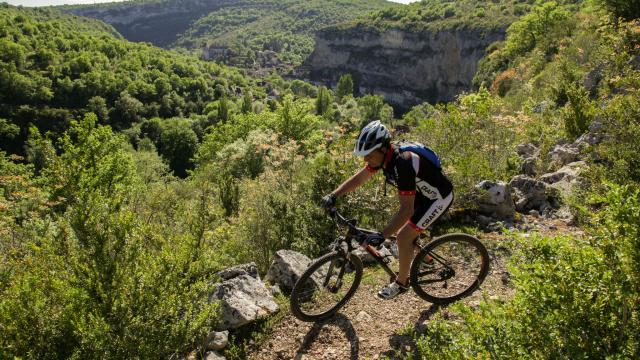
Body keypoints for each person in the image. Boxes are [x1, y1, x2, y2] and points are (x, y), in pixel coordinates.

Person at [322, 120, 454, 300]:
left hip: (438, 198)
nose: (365, 159)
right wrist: (334, 195)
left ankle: (401, 283)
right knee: (406, 233)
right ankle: (426, 259)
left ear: (383, 149)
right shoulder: (385, 158)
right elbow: (359, 179)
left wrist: (382, 235)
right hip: (421, 195)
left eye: (368, 154)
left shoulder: (403, 162)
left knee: (403, 235)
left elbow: (406, 209)